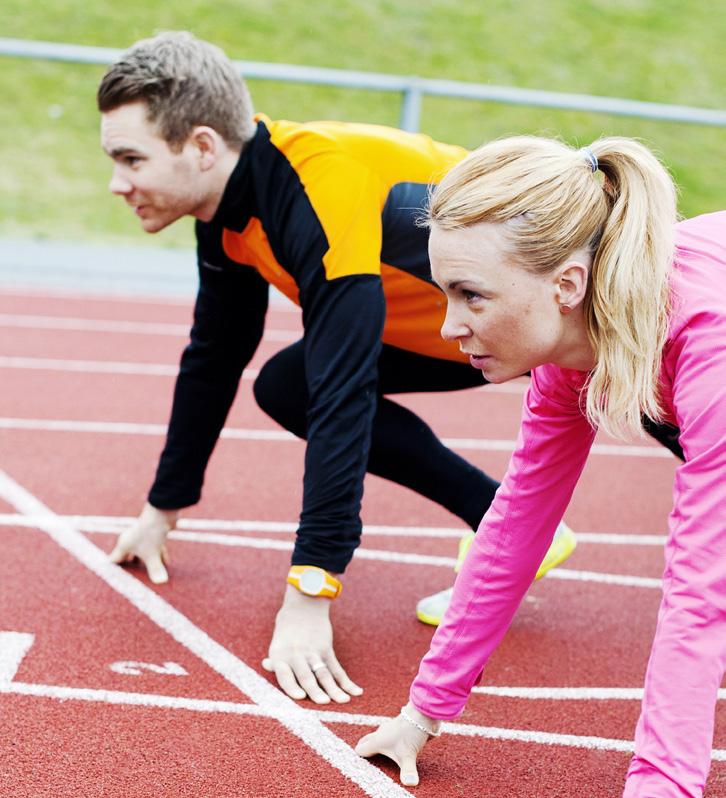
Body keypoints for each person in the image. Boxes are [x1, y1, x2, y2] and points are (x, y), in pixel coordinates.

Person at [96, 31, 579, 705]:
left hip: (554, 303)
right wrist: (161, 511)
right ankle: (510, 521)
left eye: (130, 159)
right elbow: (213, 358)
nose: (117, 183)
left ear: (203, 147)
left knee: (674, 407)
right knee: (286, 384)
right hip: (458, 331)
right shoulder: (227, 213)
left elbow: (345, 390)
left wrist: (312, 587)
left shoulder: (319, 183)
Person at [355, 135, 726, 797]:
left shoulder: (707, 341)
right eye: (445, 293)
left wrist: (661, 785)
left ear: (567, 285)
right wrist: (423, 712)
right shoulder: (570, 351)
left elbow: (699, 590)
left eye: (472, 296)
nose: (447, 327)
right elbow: (515, 529)